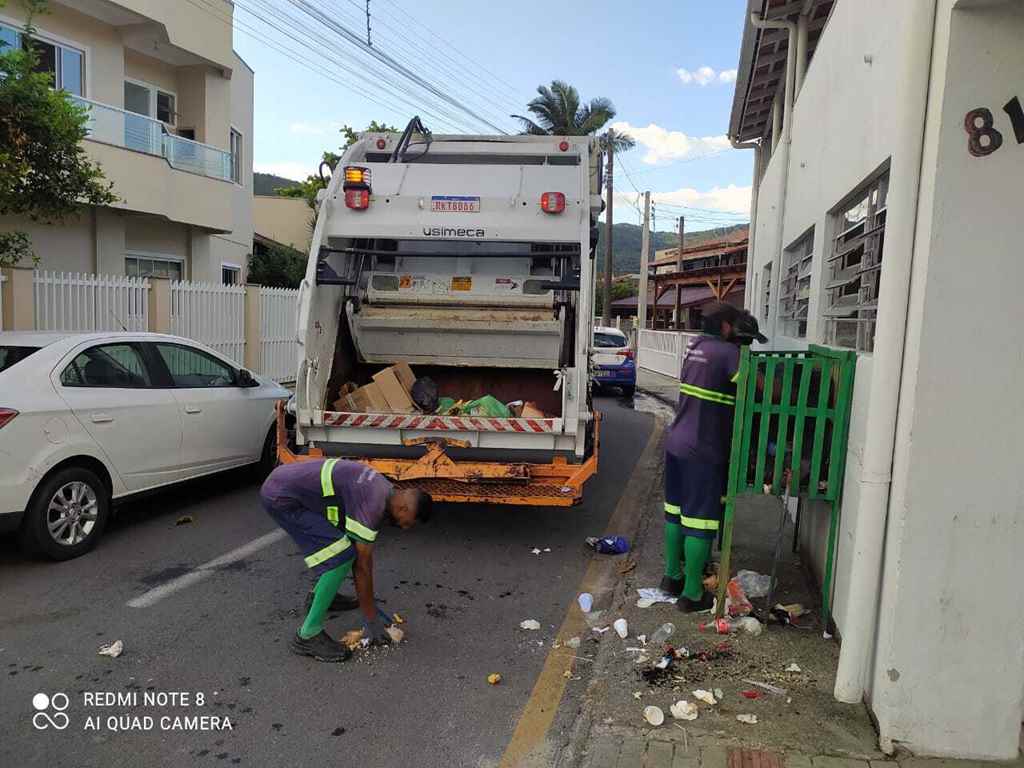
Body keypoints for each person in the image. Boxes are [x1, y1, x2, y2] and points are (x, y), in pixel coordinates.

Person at [260, 458, 432, 661]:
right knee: (341, 556)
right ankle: (308, 634)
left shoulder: (384, 488)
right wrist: (371, 618)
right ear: (404, 509)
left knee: (344, 547)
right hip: (281, 497)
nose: (404, 528)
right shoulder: (373, 504)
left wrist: (369, 605)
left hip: (284, 484)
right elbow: (363, 565)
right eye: (408, 523)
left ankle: (323, 596)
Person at [661, 303, 748, 612]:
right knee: (700, 522)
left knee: (675, 513)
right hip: (703, 449)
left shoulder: (694, 345)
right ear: (726, 326)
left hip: (676, 442)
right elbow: (760, 390)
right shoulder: (727, 353)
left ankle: (671, 577)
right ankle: (693, 594)